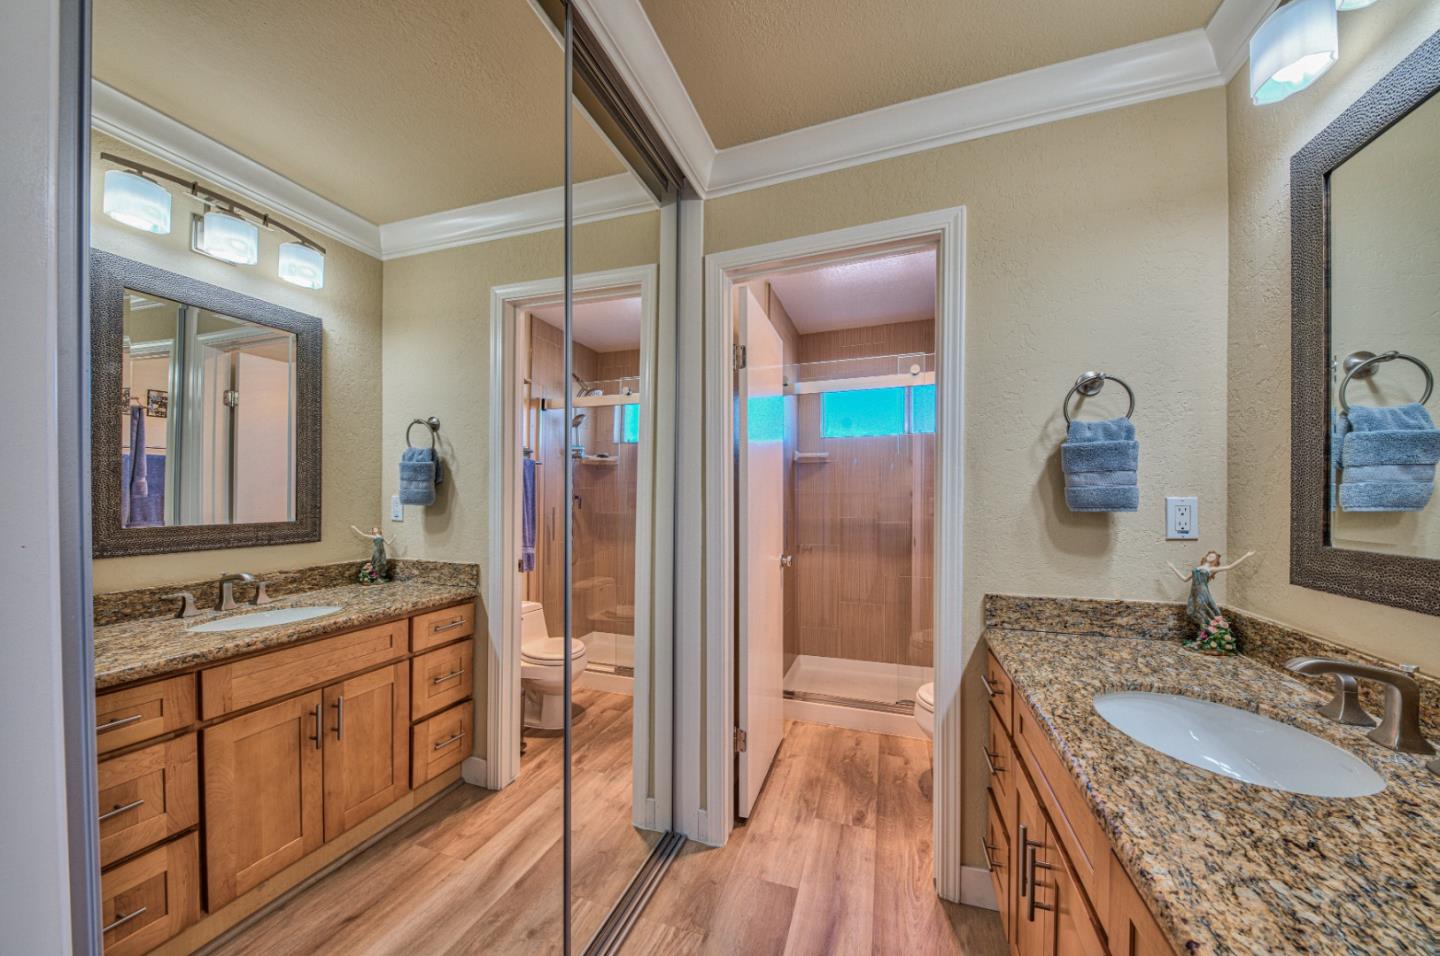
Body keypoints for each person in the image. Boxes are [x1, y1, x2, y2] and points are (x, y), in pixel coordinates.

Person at [1166, 550, 1254, 654]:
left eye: (1213, 557)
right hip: (1194, 594)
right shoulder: (1198, 568)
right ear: (1206, 556)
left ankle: (1203, 637)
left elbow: (1230, 567)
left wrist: (1246, 555)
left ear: (1215, 560)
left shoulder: (1212, 569)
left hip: (1202, 594)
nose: (1211, 557)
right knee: (1191, 612)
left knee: (1202, 615)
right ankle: (1205, 634)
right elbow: (1185, 579)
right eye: (1209, 555)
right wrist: (1173, 568)